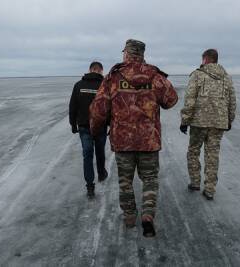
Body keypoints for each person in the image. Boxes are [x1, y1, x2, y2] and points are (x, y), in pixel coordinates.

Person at [90, 39, 178, 237]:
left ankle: (130, 216)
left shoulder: (113, 77)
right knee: (150, 179)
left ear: (126, 54)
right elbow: (171, 99)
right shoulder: (154, 76)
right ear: (142, 54)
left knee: (125, 181)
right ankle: (148, 215)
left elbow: (99, 109)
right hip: (149, 141)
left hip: (123, 141)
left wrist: (95, 131)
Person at [180, 49, 236, 200]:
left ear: (205, 59)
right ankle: (210, 189)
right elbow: (232, 101)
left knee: (193, 151)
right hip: (218, 123)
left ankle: (195, 182)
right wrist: (229, 119)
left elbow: (190, 100)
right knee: (212, 155)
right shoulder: (226, 77)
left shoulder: (197, 75)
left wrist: (185, 120)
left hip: (199, 122)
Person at [69, 61, 108, 198]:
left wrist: (73, 124)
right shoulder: (105, 86)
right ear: (101, 71)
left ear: (90, 69)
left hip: (84, 126)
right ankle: (101, 173)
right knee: (100, 152)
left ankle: (90, 186)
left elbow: (73, 106)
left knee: (87, 154)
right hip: (100, 126)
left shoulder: (78, 85)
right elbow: (111, 107)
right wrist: (111, 124)